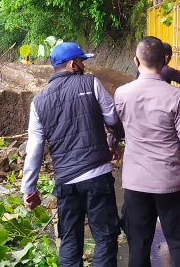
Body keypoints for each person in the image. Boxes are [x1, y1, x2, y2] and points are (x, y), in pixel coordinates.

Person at [21, 42, 123, 267]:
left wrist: (29, 189)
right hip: (97, 175)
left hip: (66, 182)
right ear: (71, 64)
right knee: (105, 237)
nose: (83, 65)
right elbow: (113, 119)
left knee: (69, 240)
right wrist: (111, 141)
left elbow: (35, 149)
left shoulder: (38, 102)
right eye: (81, 61)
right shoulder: (91, 83)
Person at [115, 37, 180, 267]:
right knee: (179, 243)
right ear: (164, 61)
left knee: (138, 246)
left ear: (136, 61)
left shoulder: (122, 94)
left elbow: (118, 128)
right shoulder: (176, 97)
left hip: (136, 184)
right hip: (171, 183)